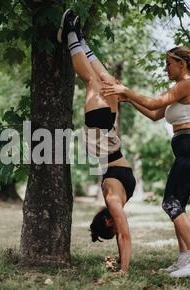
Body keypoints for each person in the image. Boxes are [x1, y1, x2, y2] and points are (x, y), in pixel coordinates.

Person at [101, 45, 190, 277]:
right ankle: (184, 259)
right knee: (177, 205)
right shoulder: (177, 89)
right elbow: (153, 113)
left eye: (169, 63)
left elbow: (153, 102)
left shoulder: (187, 85)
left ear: (182, 64)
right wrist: (131, 101)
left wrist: (127, 90)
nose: (165, 67)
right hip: (186, 150)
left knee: (170, 203)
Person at [57, 9, 136, 274]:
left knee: (92, 81)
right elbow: (120, 235)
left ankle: (68, 33)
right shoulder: (114, 207)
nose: (118, 226)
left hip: (101, 140)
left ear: (107, 220)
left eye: (112, 225)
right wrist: (120, 264)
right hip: (108, 141)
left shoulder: (112, 200)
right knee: (110, 82)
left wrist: (124, 271)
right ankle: (82, 39)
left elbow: (124, 235)